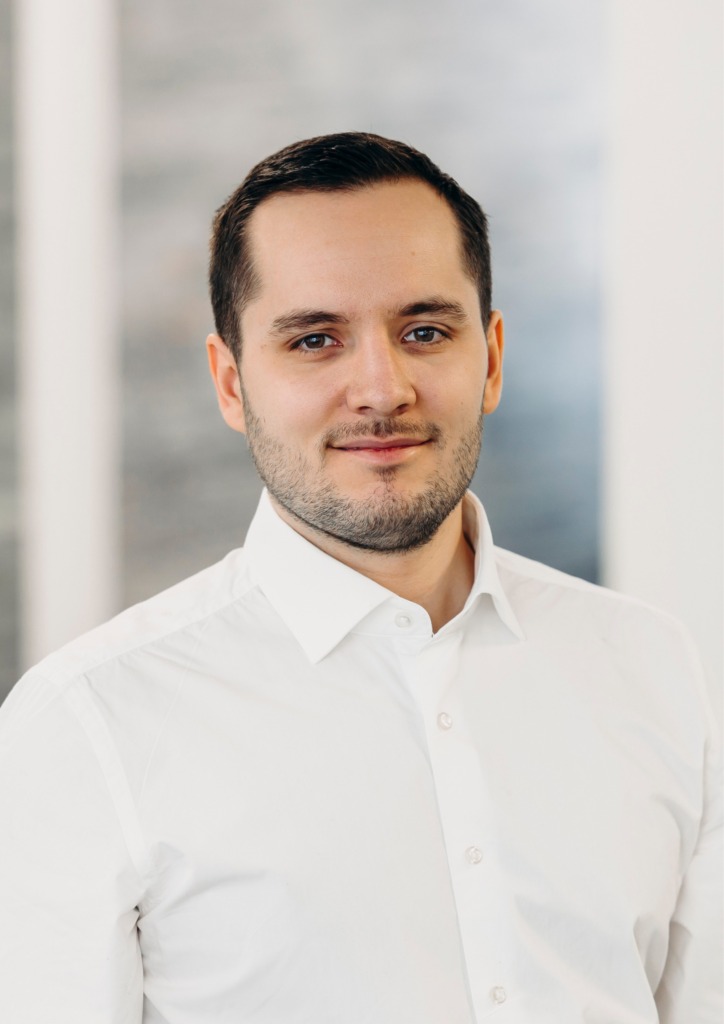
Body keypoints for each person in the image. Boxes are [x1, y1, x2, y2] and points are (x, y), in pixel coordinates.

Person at [0, 132, 720, 1024]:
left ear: (492, 358)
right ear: (231, 384)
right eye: (314, 340)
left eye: (425, 332)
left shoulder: (650, 666)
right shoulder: (89, 723)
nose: (382, 389)